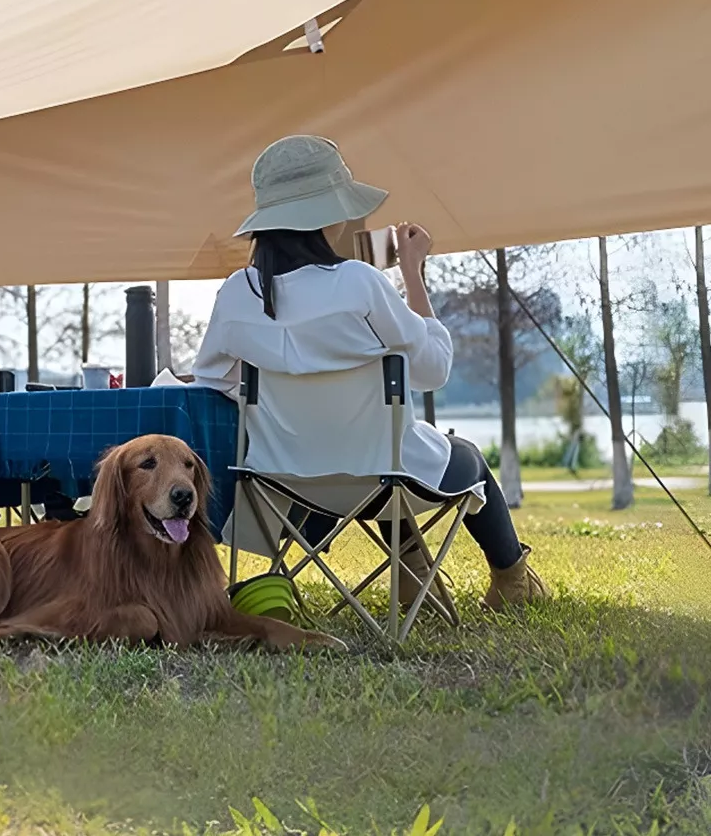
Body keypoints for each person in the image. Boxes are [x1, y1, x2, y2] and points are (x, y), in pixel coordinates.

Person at [193, 134, 547, 611]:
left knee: (383, 449)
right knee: (455, 456)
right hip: (380, 482)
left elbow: (211, 383)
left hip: (281, 488)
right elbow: (433, 369)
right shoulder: (360, 282)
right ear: (328, 214)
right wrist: (413, 272)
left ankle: (415, 577)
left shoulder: (237, 295)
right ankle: (513, 580)